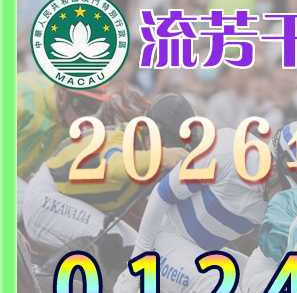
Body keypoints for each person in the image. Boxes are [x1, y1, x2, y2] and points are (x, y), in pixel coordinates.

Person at [111, 111, 274, 293]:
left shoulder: (286, 197)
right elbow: (161, 195)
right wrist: (135, 267)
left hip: (203, 252)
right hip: (160, 243)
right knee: (223, 290)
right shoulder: (229, 150)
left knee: (270, 286)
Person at [22, 93, 191, 252]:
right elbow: (113, 166)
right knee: (116, 242)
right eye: (166, 144)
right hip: (47, 198)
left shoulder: (144, 149)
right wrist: (162, 156)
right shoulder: (120, 138)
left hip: (66, 200)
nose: (167, 149)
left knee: (136, 245)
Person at [17, 72, 110, 217]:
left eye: (94, 108)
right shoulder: (21, 100)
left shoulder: (69, 122)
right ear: (62, 94)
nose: (84, 118)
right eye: (83, 106)